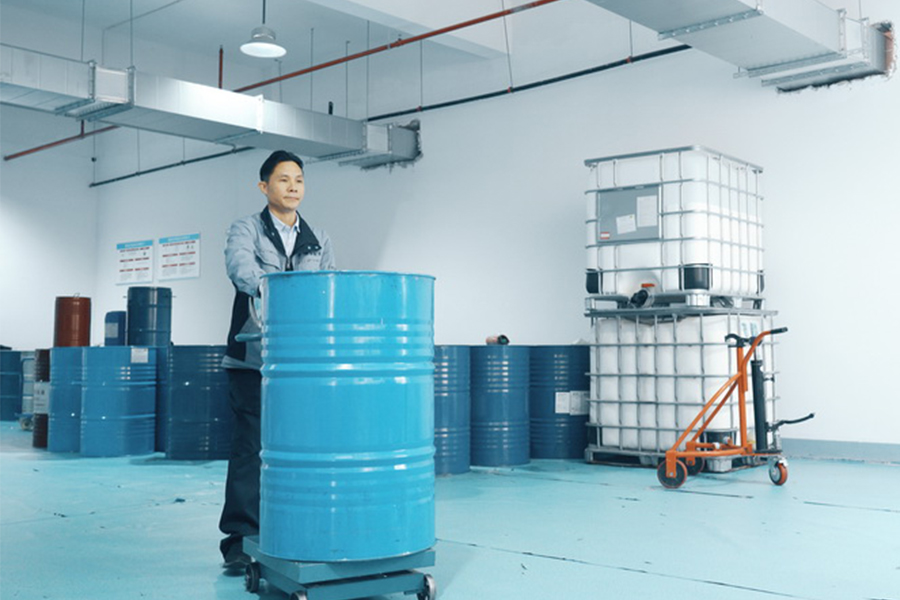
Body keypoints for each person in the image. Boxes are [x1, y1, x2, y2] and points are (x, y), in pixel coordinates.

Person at [219, 150, 335, 570]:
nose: (293, 187)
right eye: (284, 180)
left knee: (303, 447)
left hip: (301, 365)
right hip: (253, 359)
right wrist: (285, 293)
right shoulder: (246, 229)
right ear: (264, 186)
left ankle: (295, 528)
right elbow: (241, 271)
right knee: (250, 448)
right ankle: (240, 540)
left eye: (299, 180)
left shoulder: (318, 238)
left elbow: (328, 288)